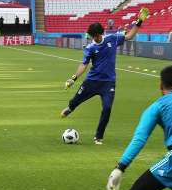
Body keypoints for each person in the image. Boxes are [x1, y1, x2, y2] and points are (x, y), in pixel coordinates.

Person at [61, 8, 149, 145]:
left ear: (100, 33)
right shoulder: (90, 48)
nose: (93, 38)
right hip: (92, 81)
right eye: (92, 36)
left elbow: (129, 36)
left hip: (108, 83)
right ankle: (70, 108)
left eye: (95, 35)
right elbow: (84, 64)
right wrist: (73, 78)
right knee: (76, 100)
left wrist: (139, 21)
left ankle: (98, 136)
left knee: (107, 108)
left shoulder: (112, 39)